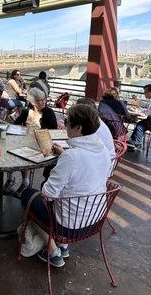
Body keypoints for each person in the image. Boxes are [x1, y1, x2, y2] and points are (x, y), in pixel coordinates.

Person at [21, 104, 111, 268]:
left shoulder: (72, 157)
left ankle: (53, 250)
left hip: (69, 227)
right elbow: (88, 171)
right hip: (94, 221)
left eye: (68, 121)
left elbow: (47, 194)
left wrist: (64, 160)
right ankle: (63, 247)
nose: (65, 123)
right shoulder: (103, 151)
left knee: (27, 194)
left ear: (78, 127)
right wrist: (65, 154)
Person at [4, 88, 57, 197]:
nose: (43, 102)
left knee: (22, 153)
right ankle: (11, 178)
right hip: (26, 141)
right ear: (33, 102)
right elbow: (16, 124)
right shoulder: (26, 111)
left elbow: (53, 131)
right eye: (40, 100)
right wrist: (11, 120)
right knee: (10, 149)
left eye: (44, 100)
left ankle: (24, 182)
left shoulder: (49, 112)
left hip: (41, 145)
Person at [128, 84, 151, 151]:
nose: (144, 94)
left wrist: (140, 111)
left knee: (140, 125)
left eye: (145, 92)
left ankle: (136, 144)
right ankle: (134, 142)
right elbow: (150, 106)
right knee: (141, 123)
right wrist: (140, 103)